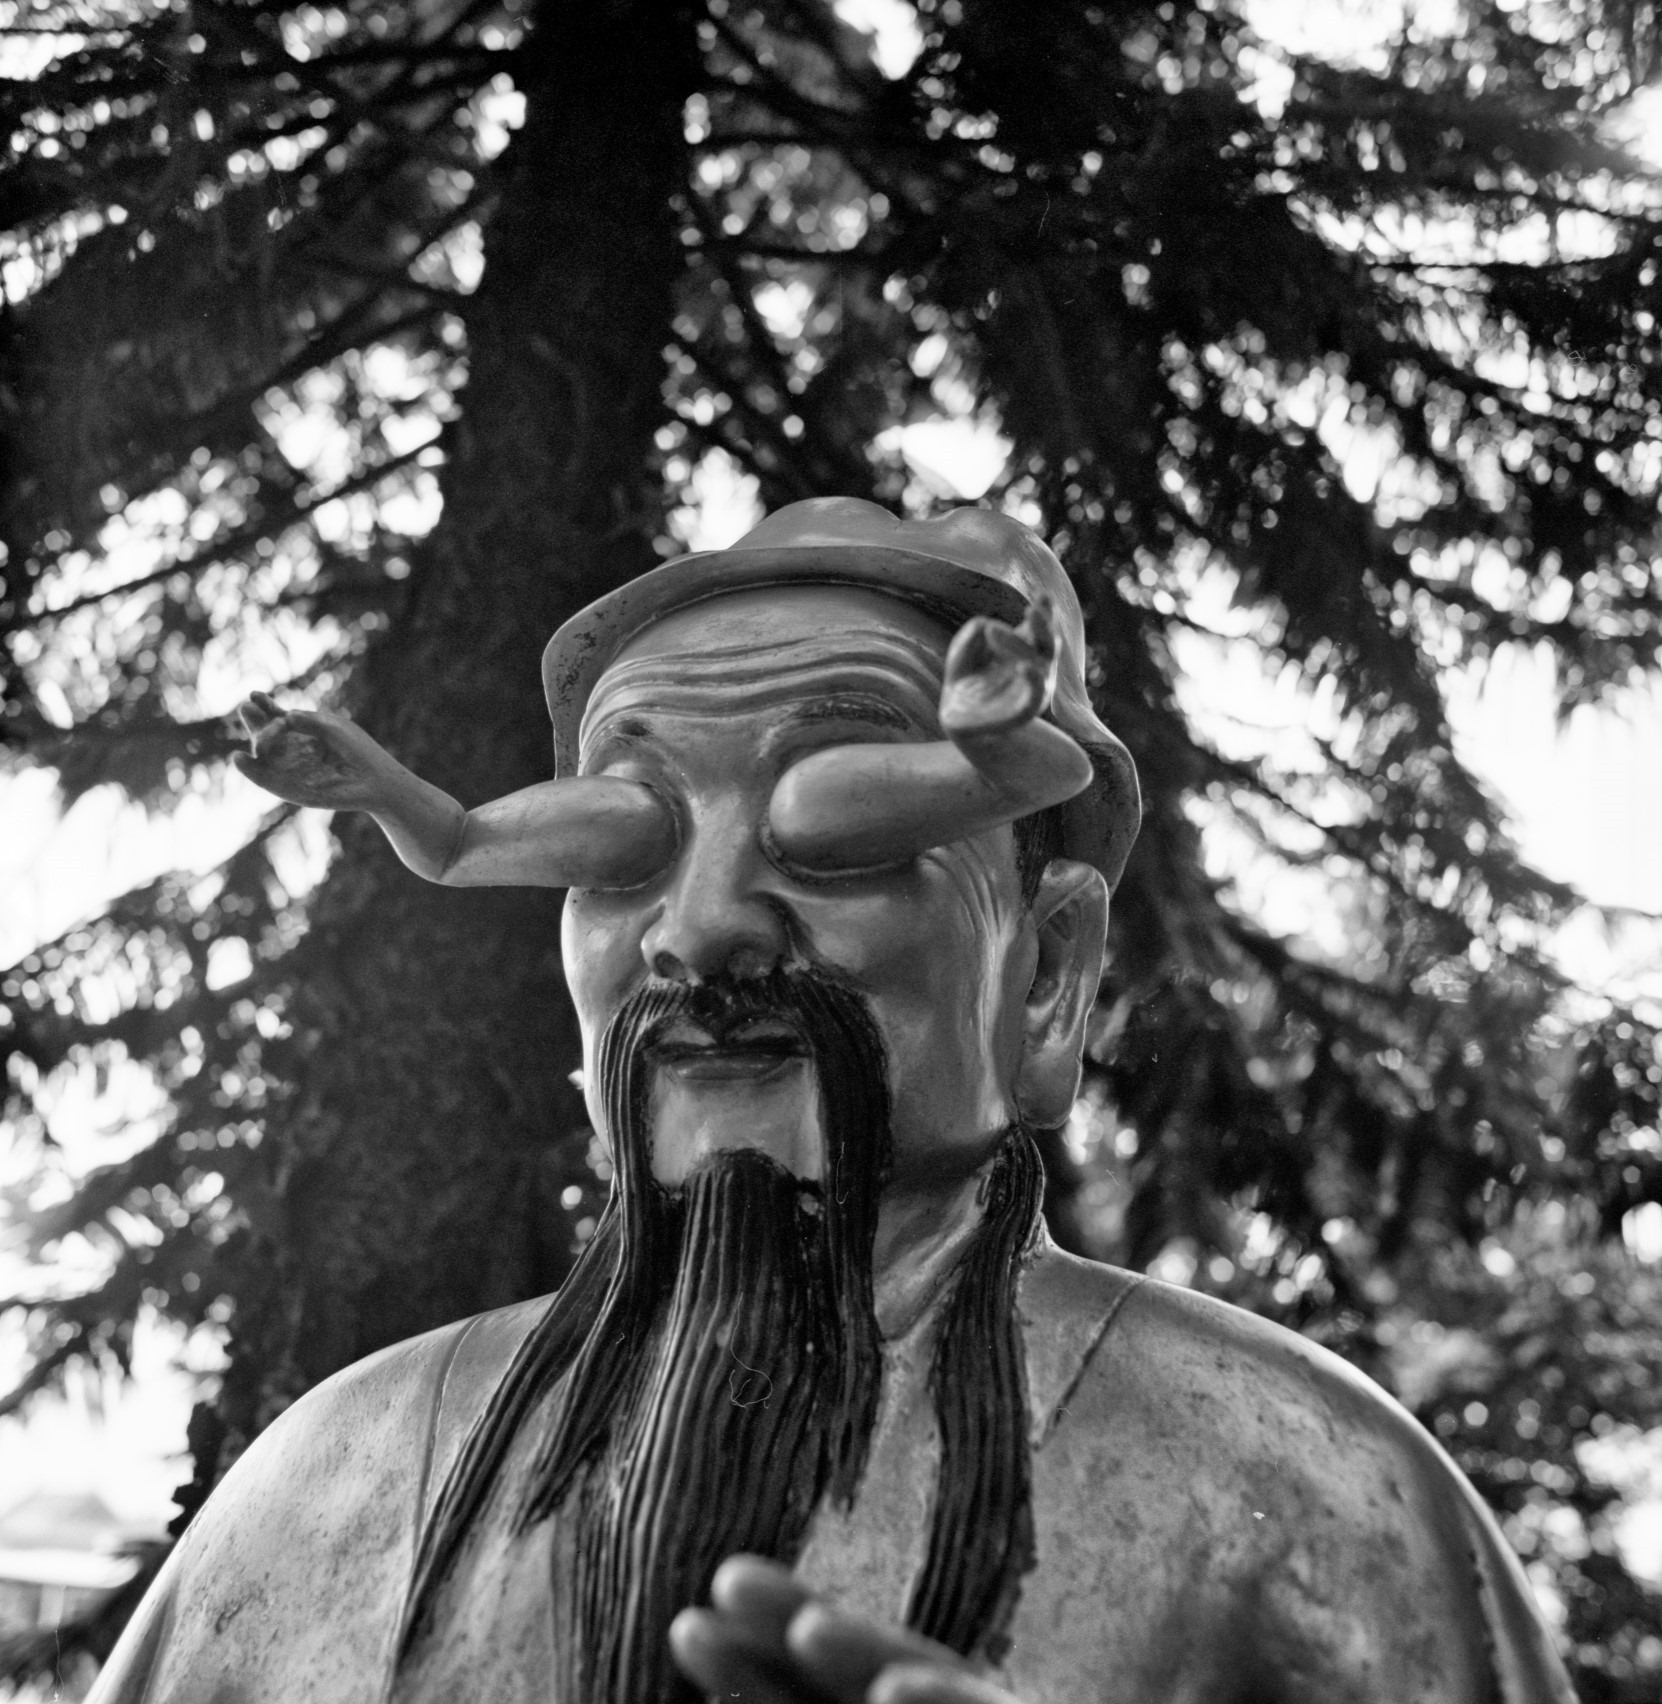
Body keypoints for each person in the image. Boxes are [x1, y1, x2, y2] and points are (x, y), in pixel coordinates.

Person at [88, 500, 1571, 1704]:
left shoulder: (1303, 1488)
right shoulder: (319, 1496)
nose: (702, 931)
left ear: (1048, 977)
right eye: (624, 854)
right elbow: (463, 839)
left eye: (845, 844)